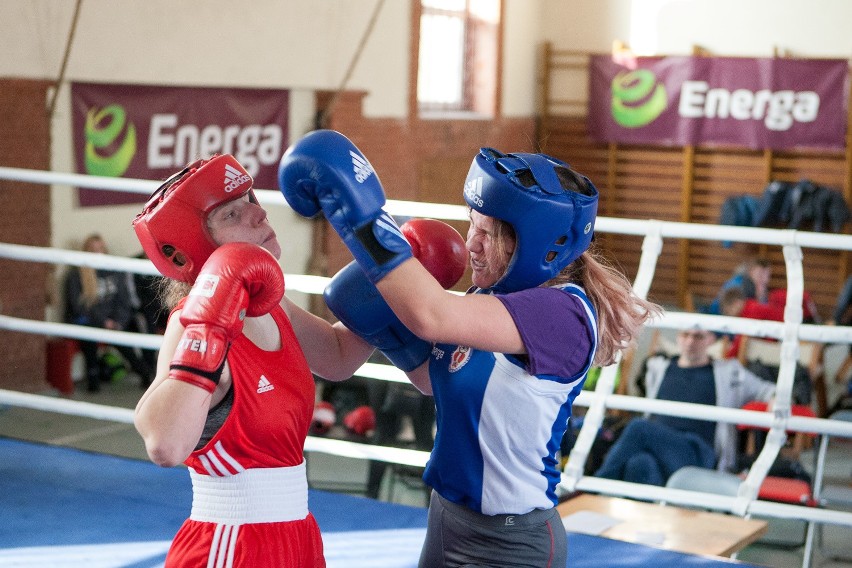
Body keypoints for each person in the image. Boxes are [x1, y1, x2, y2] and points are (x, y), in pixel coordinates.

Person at [278, 130, 661, 568]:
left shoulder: (562, 316)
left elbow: (431, 315)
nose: (471, 243)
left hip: (511, 544)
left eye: (489, 233)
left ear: (534, 242)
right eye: (471, 224)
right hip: (448, 518)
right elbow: (339, 357)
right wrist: (259, 292)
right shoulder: (486, 302)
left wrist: (360, 217)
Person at [131, 154, 466, 567]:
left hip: (296, 535)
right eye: (233, 213)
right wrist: (210, 329)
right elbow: (164, 443)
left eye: (250, 198)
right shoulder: (191, 324)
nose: (258, 213)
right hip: (229, 544)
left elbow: (339, 357)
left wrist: (389, 272)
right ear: (194, 249)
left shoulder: (272, 306)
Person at [593, 327, 777, 486]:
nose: (690, 342)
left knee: (638, 427)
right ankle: (646, 521)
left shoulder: (729, 373)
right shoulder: (658, 367)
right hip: (660, 446)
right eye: (685, 335)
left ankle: (594, 488)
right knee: (640, 464)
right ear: (678, 337)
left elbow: (768, 390)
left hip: (698, 452)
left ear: (711, 340)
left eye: (698, 337)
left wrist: (776, 399)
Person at [63, 233, 154, 392]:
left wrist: (118, 320)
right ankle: (93, 379)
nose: (98, 253)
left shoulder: (114, 270)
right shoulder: (77, 274)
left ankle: (145, 373)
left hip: (112, 319)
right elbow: (80, 306)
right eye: (93, 249)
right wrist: (103, 321)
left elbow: (123, 300)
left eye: (100, 249)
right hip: (89, 319)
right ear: (86, 251)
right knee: (88, 335)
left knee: (122, 337)